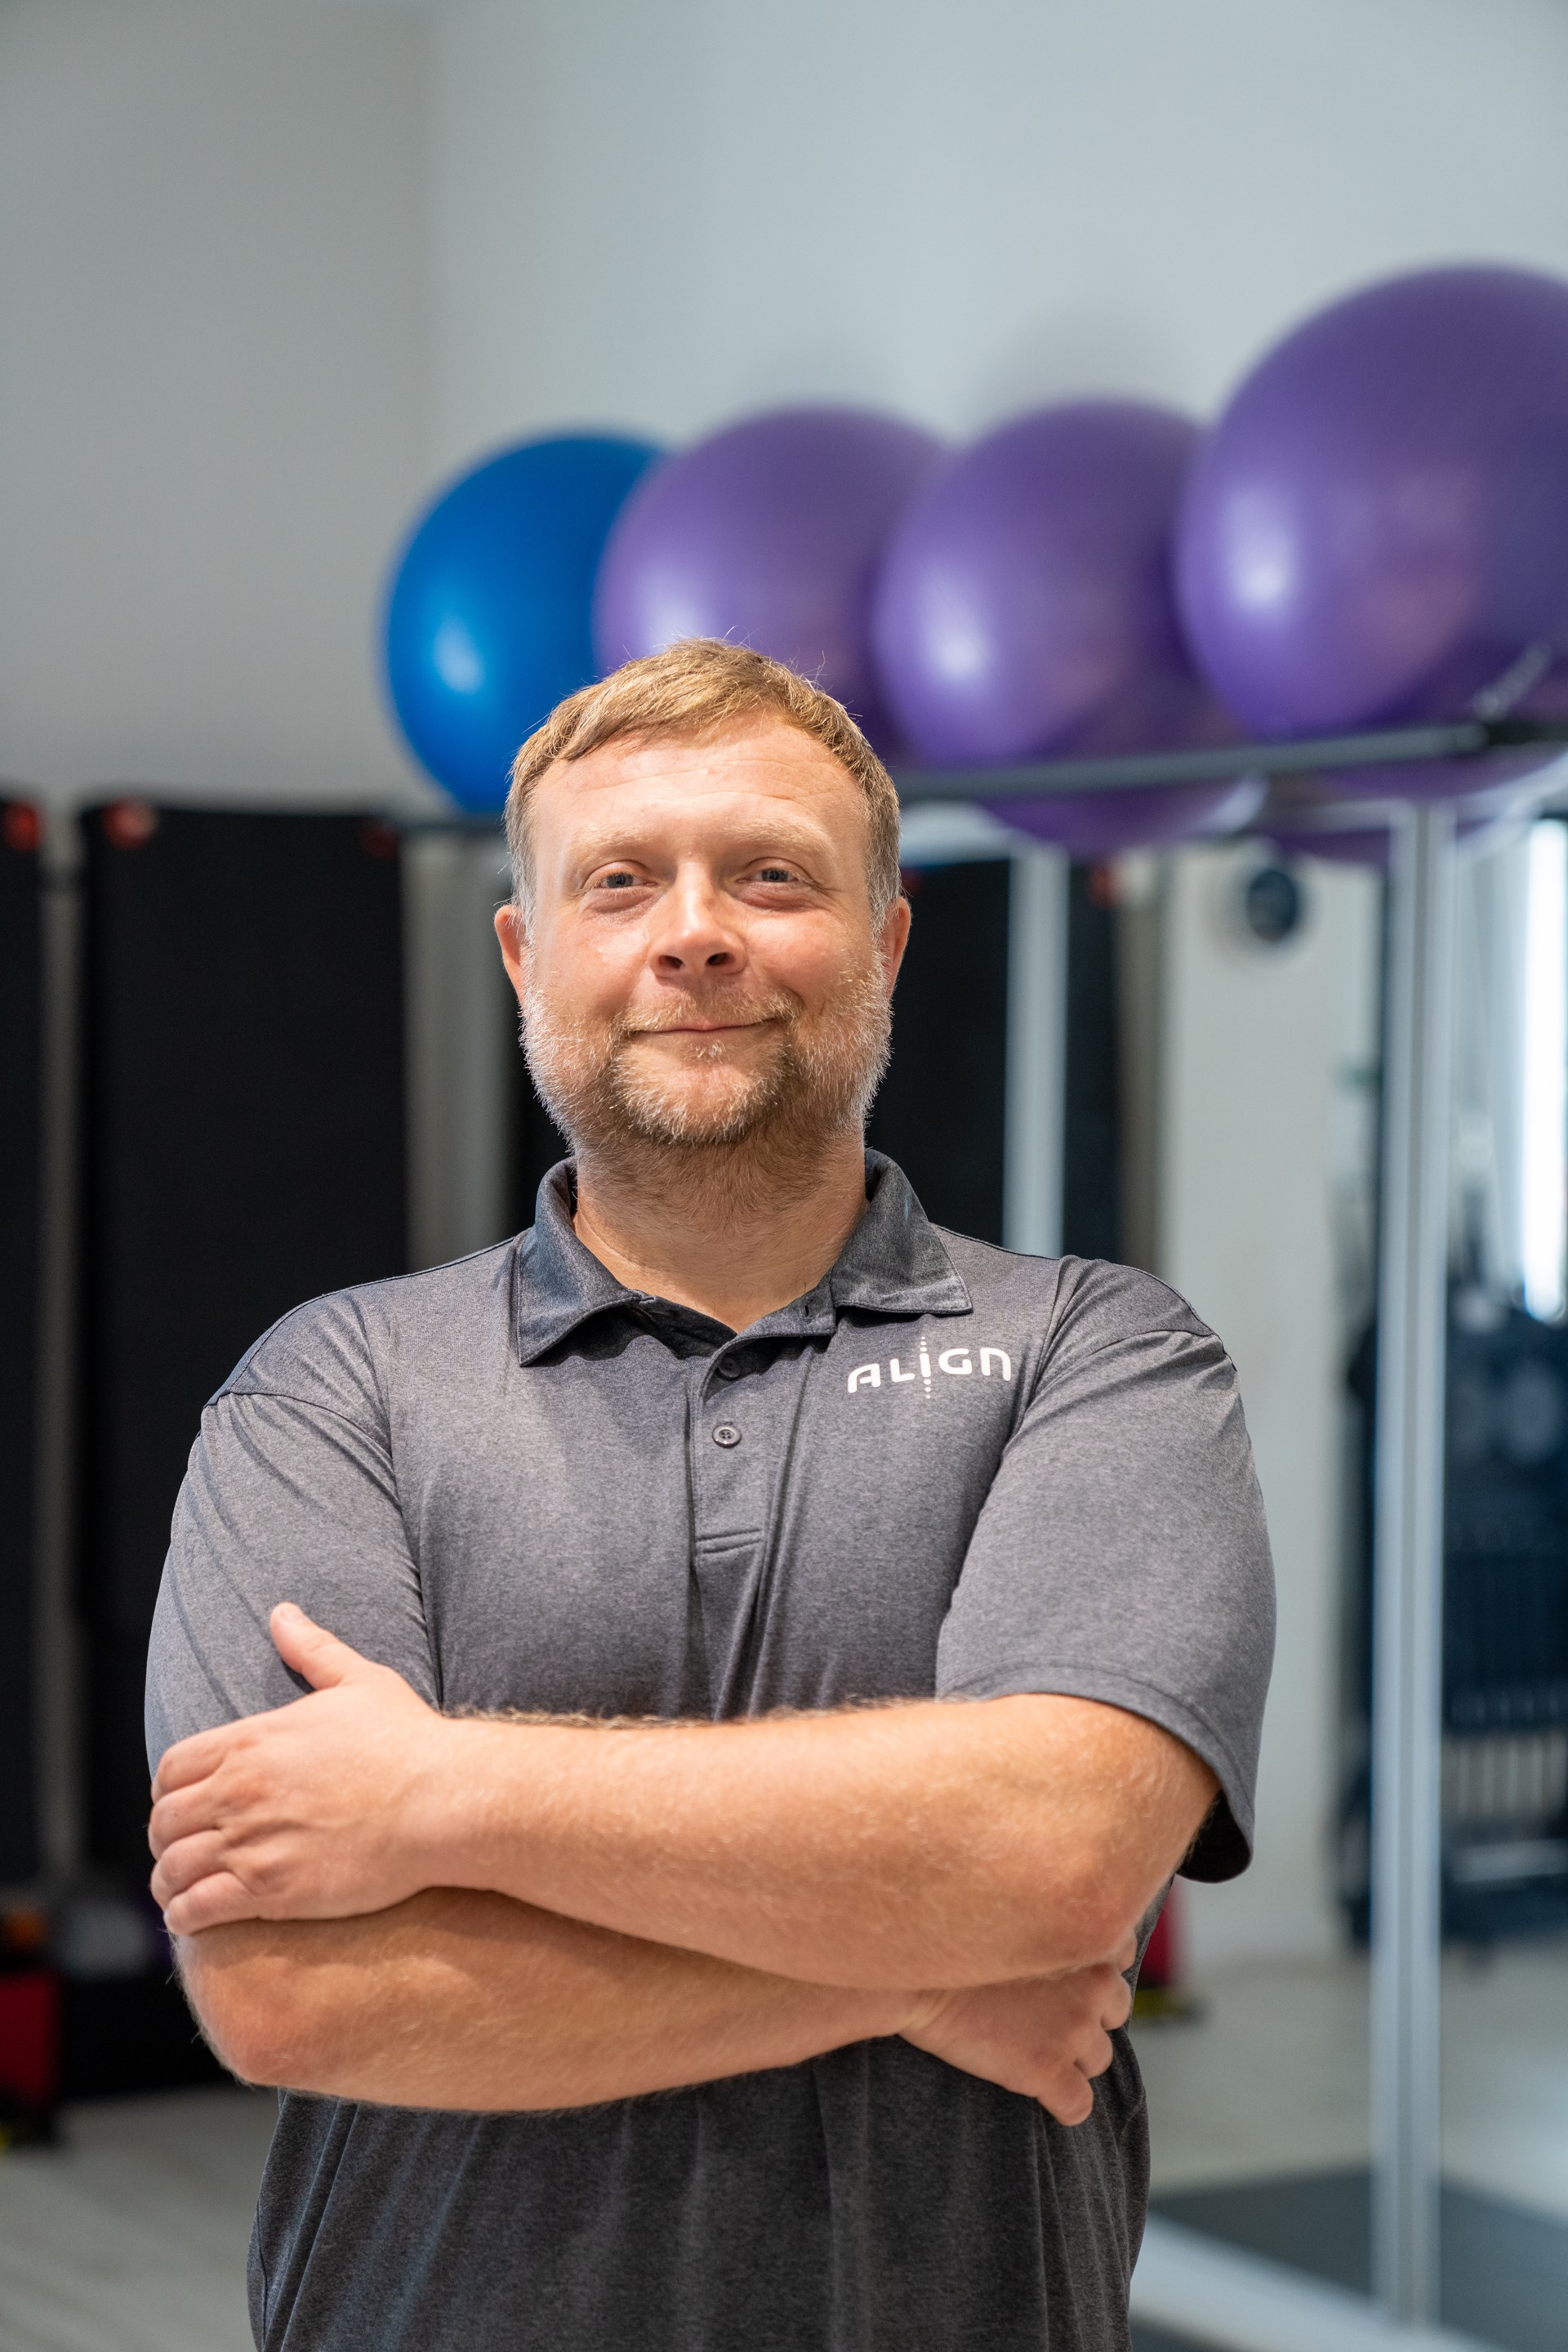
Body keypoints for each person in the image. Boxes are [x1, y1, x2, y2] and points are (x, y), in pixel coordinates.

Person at [145, 637, 1274, 2352]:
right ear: (529, 957)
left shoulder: (1098, 1355)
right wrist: (917, 1966)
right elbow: (295, 1992)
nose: (694, 931)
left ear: (883, 943)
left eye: (771, 875)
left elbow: (1050, 1859)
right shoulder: (331, 1391)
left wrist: (436, 1794)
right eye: (619, 883)